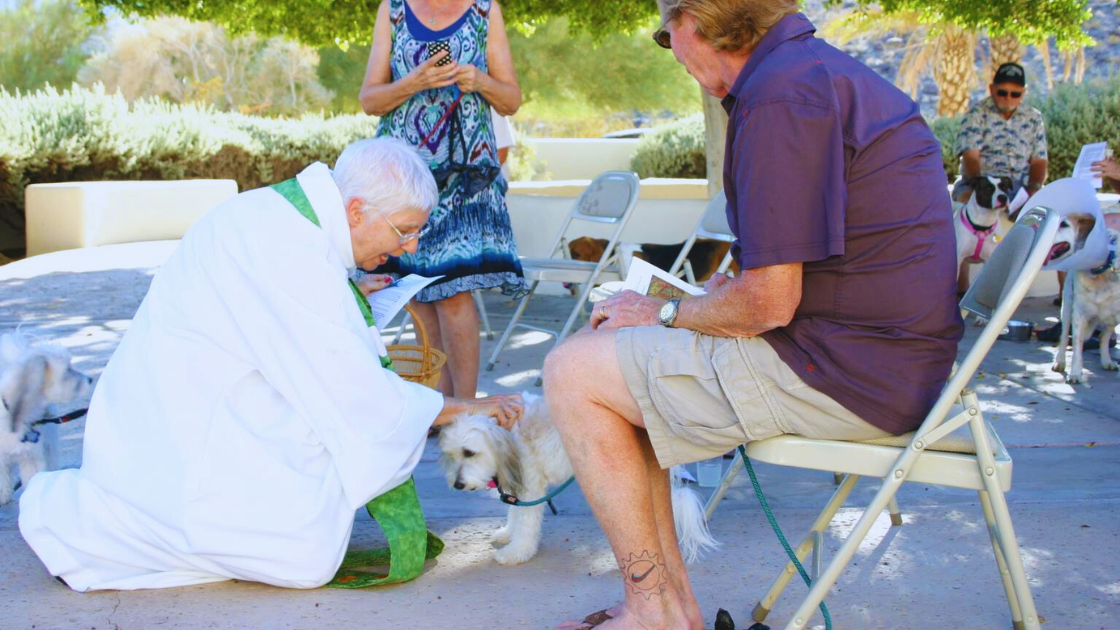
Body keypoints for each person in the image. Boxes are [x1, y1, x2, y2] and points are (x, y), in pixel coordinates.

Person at [541, 2, 963, 629]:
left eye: (664, 33)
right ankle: (667, 608)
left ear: (697, 20)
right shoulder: (809, 73)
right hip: (886, 364)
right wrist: (705, 299)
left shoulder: (779, 95)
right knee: (614, 365)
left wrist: (666, 310)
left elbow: (769, 304)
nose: (670, 48)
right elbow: (798, 266)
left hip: (845, 374)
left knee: (574, 372)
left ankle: (656, 612)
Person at [18, 138, 523, 592]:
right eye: (405, 231)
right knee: (304, 555)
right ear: (354, 210)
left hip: (176, 408)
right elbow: (354, 391)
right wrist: (462, 407)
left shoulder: (277, 217)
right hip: (185, 437)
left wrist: (349, 291)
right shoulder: (289, 248)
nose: (409, 247)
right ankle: (94, 523)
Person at [360, 0, 527, 400]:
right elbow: (370, 100)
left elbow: (511, 100)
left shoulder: (486, 10)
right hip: (403, 179)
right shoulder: (393, 10)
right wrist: (413, 82)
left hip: (465, 176)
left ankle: (466, 410)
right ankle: (438, 403)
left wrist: (480, 81)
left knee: (452, 290)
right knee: (419, 291)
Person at [954, 62, 1049, 201]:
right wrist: (982, 189)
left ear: (1023, 93)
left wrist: (1034, 187)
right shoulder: (976, 115)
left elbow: (1039, 161)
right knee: (967, 199)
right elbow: (971, 158)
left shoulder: (1033, 118)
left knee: (1049, 204)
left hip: (1021, 186)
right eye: (1002, 92)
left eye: (1015, 94)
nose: (1008, 97)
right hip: (984, 184)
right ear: (992, 89)